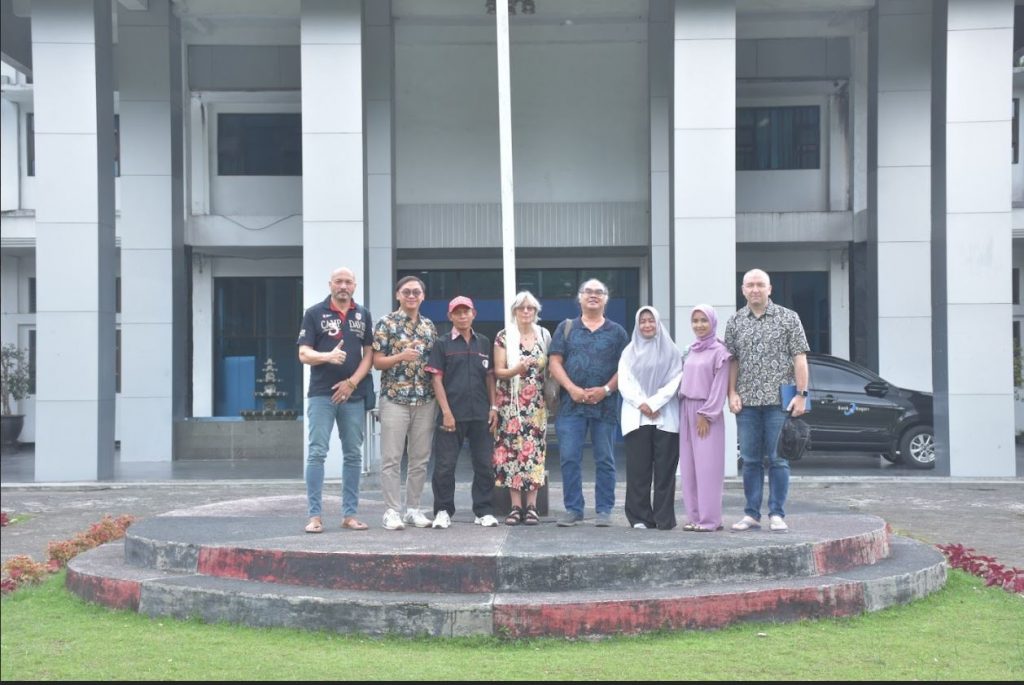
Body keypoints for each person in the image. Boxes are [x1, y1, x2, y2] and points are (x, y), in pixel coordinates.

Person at [725, 269, 810, 533]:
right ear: (743, 290)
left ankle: (776, 513)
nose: (755, 290)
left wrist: (801, 394)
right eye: (750, 285)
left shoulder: (788, 318)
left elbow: (800, 358)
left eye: (760, 285)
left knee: (778, 460)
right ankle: (751, 514)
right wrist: (731, 393)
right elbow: (732, 361)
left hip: (779, 402)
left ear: (769, 289)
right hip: (747, 402)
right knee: (750, 460)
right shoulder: (735, 322)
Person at [297, 267, 375, 533]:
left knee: (353, 454)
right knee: (317, 452)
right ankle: (314, 516)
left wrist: (352, 382)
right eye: (339, 281)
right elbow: (304, 354)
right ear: (330, 284)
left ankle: (349, 515)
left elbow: (369, 356)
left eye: (348, 282)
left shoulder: (363, 314)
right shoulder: (314, 313)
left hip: (352, 395)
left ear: (355, 286)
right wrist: (328, 357)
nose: (343, 286)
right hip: (321, 394)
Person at [548, 278, 630, 527]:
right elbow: (554, 362)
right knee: (569, 457)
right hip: (571, 406)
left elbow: (625, 368)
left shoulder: (617, 332)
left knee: (605, 459)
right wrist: (571, 389)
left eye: (599, 292)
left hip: (604, 406)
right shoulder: (566, 327)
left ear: (606, 299)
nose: (593, 295)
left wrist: (606, 390)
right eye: (588, 292)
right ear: (580, 298)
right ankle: (574, 509)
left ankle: (604, 510)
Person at [425, 296, 499, 529]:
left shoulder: (484, 342)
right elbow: (436, 379)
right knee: (445, 466)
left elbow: (490, 377)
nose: (462, 315)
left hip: (480, 414)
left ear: (474, 314)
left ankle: (484, 510)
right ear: (450, 316)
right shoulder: (442, 343)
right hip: (451, 415)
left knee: (485, 465)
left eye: (466, 311)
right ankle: (443, 511)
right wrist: (446, 412)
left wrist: (494, 407)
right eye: (457, 312)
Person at [372, 275, 438, 531]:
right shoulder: (385, 323)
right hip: (394, 399)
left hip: (425, 399)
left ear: (423, 297)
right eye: (407, 292)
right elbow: (377, 362)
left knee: (420, 458)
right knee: (391, 457)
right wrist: (401, 356)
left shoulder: (429, 326)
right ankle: (391, 510)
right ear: (398, 295)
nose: (412, 296)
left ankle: (413, 508)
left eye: (416, 292)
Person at [617, 306, 683, 530]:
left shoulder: (672, 351)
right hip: (637, 418)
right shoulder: (628, 352)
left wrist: (655, 402)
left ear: (657, 323)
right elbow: (625, 383)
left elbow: (677, 379)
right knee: (638, 470)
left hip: (666, 417)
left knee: (665, 471)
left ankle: (664, 518)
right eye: (642, 321)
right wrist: (643, 404)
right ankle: (639, 517)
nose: (647, 325)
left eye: (650, 321)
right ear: (637, 324)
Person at [492, 291, 549, 526]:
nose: (526, 312)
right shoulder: (504, 336)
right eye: (521, 308)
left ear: (536, 312)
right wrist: (517, 369)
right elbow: (498, 371)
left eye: (531, 308)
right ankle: (515, 507)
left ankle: (532, 507)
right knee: (512, 453)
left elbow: (549, 369)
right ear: (514, 311)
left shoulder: (544, 335)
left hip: (536, 406)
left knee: (534, 455)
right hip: (511, 404)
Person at [678, 304, 732, 533]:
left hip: (706, 413)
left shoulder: (720, 352)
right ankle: (694, 517)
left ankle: (710, 520)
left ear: (713, 322)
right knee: (688, 469)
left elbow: (720, 388)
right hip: (686, 409)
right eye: (695, 321)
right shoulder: (691, 350)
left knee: (707, 469)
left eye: (703, 320)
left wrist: (706, 414)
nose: (699, 325)